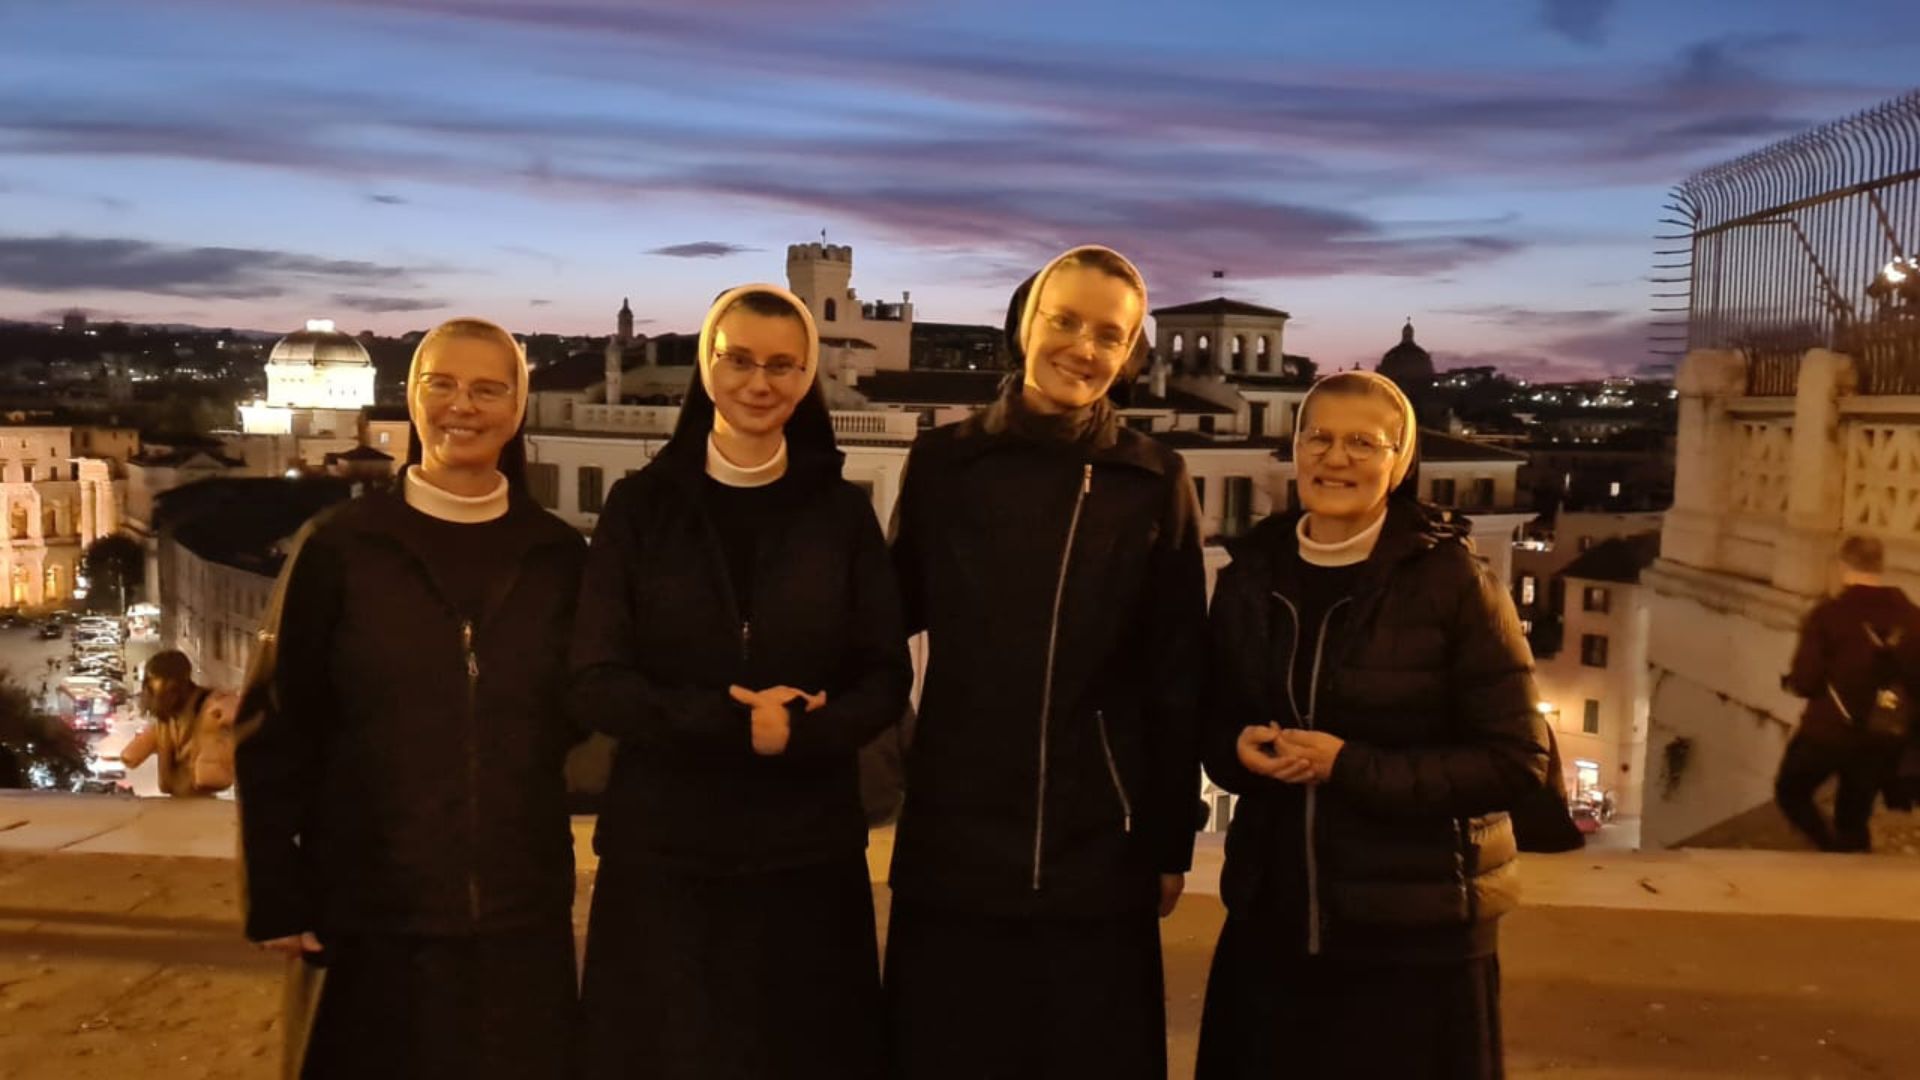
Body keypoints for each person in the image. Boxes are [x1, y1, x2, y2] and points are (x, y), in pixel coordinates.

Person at [572, 285, 910, 1080]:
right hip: (665, 853)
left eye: (783, 366)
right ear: (707, 366)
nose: (760, 383)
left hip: (807, 853)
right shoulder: (639, 507)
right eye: (740, 361)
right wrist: (730, 722)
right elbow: (594, 679)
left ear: (808, 376)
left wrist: (803, 731)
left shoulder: (842, 515)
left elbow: (885, 674)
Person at [885, 246, 1207, 1079]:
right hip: (954, 837)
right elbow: (878, 626)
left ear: (1128, 355)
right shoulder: (944, 464)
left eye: (1109, 334)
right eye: (1064, 320)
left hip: (1102, 846)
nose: (1083, 348)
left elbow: (1177, 676)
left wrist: (1169, 839)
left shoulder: (1154, 478)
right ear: (1024, 324)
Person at [235, 317, 586, 1080]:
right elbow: (275, 724)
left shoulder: (559, 557)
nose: (463, 405)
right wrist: (277, 893)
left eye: (488, 389)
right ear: (411, 396)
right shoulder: (339, 547)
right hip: (367, 914)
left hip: (519, 914)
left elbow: (585, 720)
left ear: (518, 408)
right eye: (442, 385)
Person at [1195, 371, 1549, 1080]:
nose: (1336, 458)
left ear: (1400, 459)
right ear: (1296, 449)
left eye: (1363, 442)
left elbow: (1518, 761)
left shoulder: (1457, 582)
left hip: (1418, 942)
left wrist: (1348, 766)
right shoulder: (1249, 576)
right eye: (1318, 438)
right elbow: (1214, 719)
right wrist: (1236, 750)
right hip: (1274, 927)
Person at [1777, 535, 1920, 852]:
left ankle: (1828, 849)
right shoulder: (1913, 617)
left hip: (1829, 730)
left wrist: (1790, 683)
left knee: (1791, 790)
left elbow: (1807, 681)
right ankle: (1851, 861)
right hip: (1883, 733)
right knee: (1854, 816)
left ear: (1843, 566)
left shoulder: (1829, 615)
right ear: (1880, 566)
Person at [120, 649, 233, 797]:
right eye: (153, 688)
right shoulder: (166, 720)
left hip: (202, 790)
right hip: (179, 792)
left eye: (168, 688)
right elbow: (135, 753)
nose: (161, 695)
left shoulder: (213, 707)